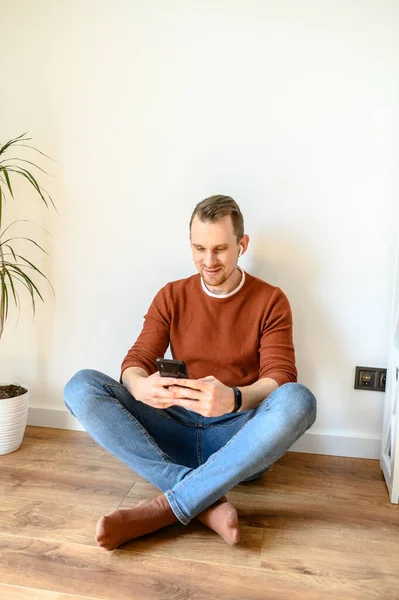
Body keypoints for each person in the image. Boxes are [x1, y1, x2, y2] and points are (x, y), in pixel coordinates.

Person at [64, 195, 317, 551]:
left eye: (220, 249)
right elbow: (135, 360)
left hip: (237, 439)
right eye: (199, 248)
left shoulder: (270, 300)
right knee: (80, 386)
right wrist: (139, 386)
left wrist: (237, 397)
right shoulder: (172, 296)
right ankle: (204, 502)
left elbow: (281, 375)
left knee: (300, 400)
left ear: (241, 245)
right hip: (173, 430)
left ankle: (163, 508)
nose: (208, 261)